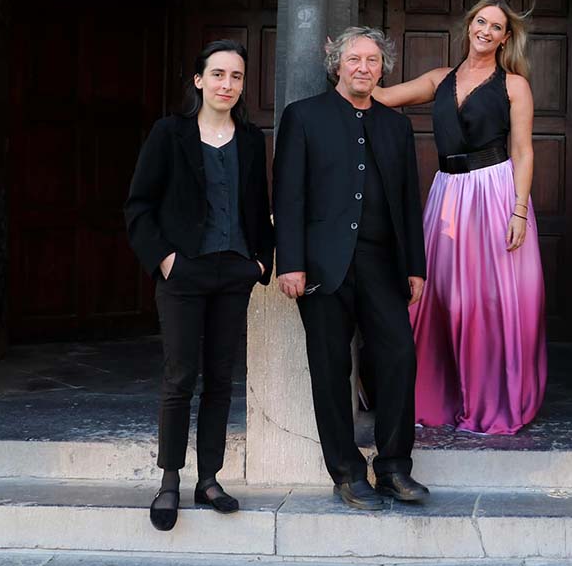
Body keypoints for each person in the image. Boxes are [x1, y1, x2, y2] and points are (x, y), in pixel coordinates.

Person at [371, 0, 546, 435]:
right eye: (480, 22)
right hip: (447, 193)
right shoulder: (438, 79)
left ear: (506, 38)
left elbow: (523, 151)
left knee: (488, 303)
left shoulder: (514, 85)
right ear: (469, 26)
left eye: (496, 27)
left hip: (495, 191)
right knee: (439, 297)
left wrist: (519, 211)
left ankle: (490, 399)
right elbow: (380, 96)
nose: (486, 31)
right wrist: (350, 61)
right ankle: (439, 395)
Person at [272, 26, 429, 510]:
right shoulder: (303, 117)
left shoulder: (396, 126)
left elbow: (407, 201)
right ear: (337, 64)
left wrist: (416, 266)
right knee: (330, 368)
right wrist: (291, 262)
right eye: (355, 59)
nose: (365, 67)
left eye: (374, 61)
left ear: (384, 69)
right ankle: (345, 472)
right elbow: (289, 194)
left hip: (382, 265)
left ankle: (394, 469)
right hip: (322, 266)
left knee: (399, 356)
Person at [124, 39, 274, 531]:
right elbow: (139, 206)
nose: (226, 84)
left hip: (234, 272)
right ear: (198, 80)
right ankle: (169, 480)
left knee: (221, 377)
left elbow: (258, 206)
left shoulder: (252, 140)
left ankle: (208, 479)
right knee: (180, 375)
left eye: (235, 77)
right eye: (217, 75)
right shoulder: (170, 134)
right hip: (183, 273)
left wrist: (259, 262)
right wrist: (165, 260)